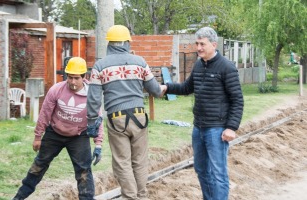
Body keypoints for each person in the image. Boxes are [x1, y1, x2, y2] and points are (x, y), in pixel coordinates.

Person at [161, 27, 244, 200]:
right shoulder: (198, 64)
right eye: (197, 43)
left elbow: (237, 100)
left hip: (217, 129)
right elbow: (186, 87)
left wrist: (231, 127)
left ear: (213, 45)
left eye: (202, 44)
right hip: (198, 128)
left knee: (218, 173)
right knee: (201, 169)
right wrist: (167, 87)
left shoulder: (226, 67)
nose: (198, 47)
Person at [86, 25, 162, 200]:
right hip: (139, 117)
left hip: (117, 118)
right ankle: (142, 196)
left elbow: (93, 99)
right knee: (139, 161)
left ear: (109, 44)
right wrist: (161, 88)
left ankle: (130, 197)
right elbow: (155, 90)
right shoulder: (140, 62)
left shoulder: (100, 66)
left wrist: (91, 122)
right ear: (127, 42)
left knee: (122, 162)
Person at [12, 57, 104, 200]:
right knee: (39, 165)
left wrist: (98, 144)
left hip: (79, 135)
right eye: (70, 77)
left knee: (84, 173)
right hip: (54, 133)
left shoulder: (91, 95)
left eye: (76, 78)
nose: (72, 82)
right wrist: (38, 136)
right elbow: (45, 113)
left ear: (84, 77)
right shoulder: (56, 90)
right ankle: (19, 197)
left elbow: (97, 120)